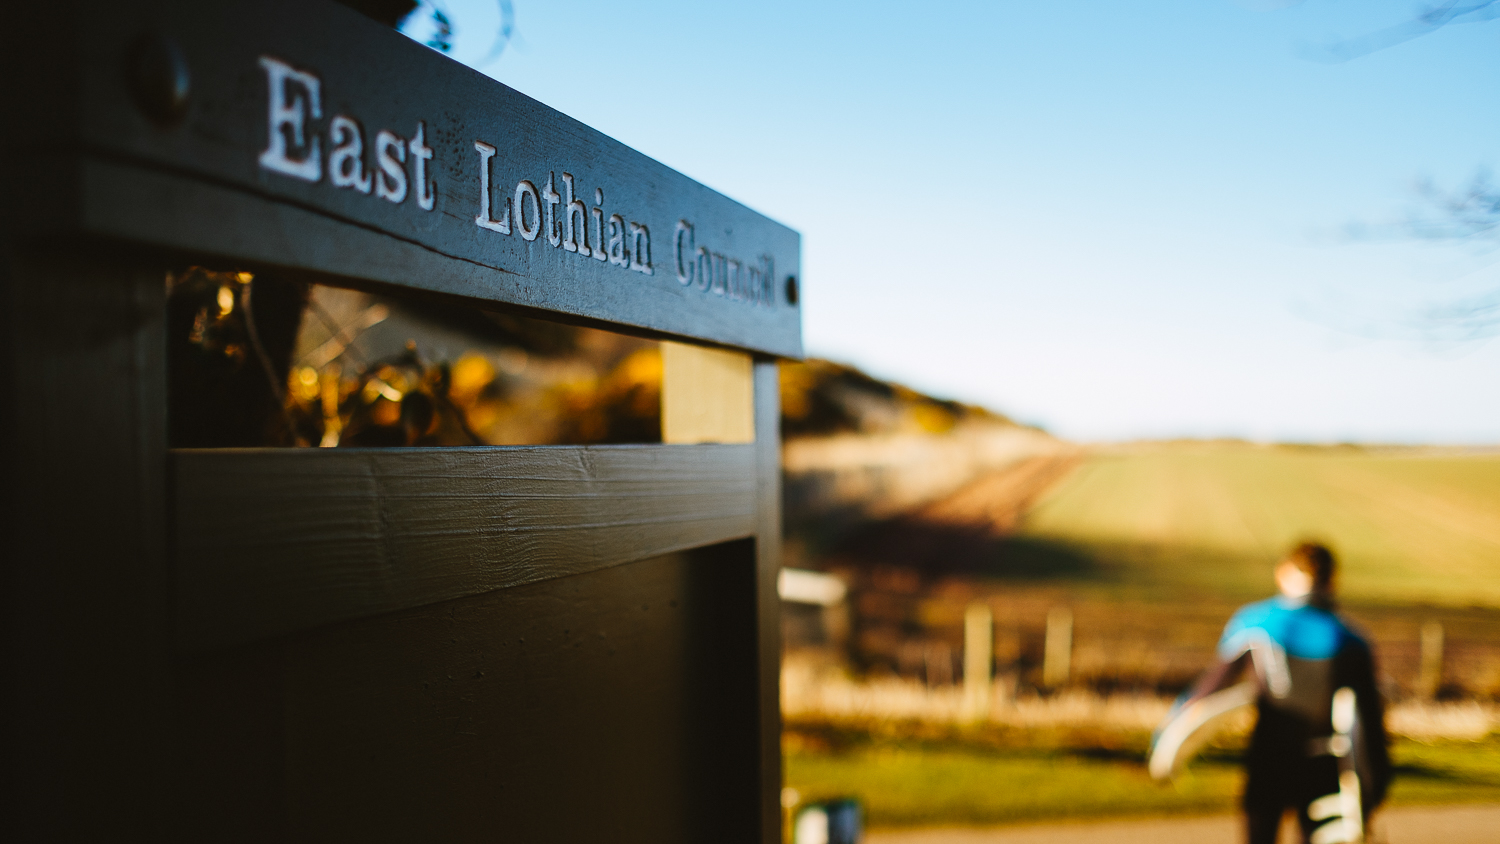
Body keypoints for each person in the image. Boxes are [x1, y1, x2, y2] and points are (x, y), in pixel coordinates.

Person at [1157, 542, 1391, 844]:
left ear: (1283, 574)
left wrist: (1168, 734)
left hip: (1269, 757)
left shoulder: (1255, 623)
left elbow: (1212, 686)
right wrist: (1377, 781)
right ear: (1332, 581)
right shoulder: (1352, 640)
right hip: (1326, 763)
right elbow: (1370, 718)